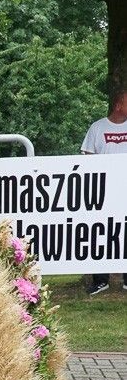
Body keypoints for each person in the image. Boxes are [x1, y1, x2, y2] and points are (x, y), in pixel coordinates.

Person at [81, 87, 127, 295]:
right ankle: (101, 279)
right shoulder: (97, 128)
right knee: (101, 232)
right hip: (103, 192)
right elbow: (87, 158)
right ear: (118, 105)